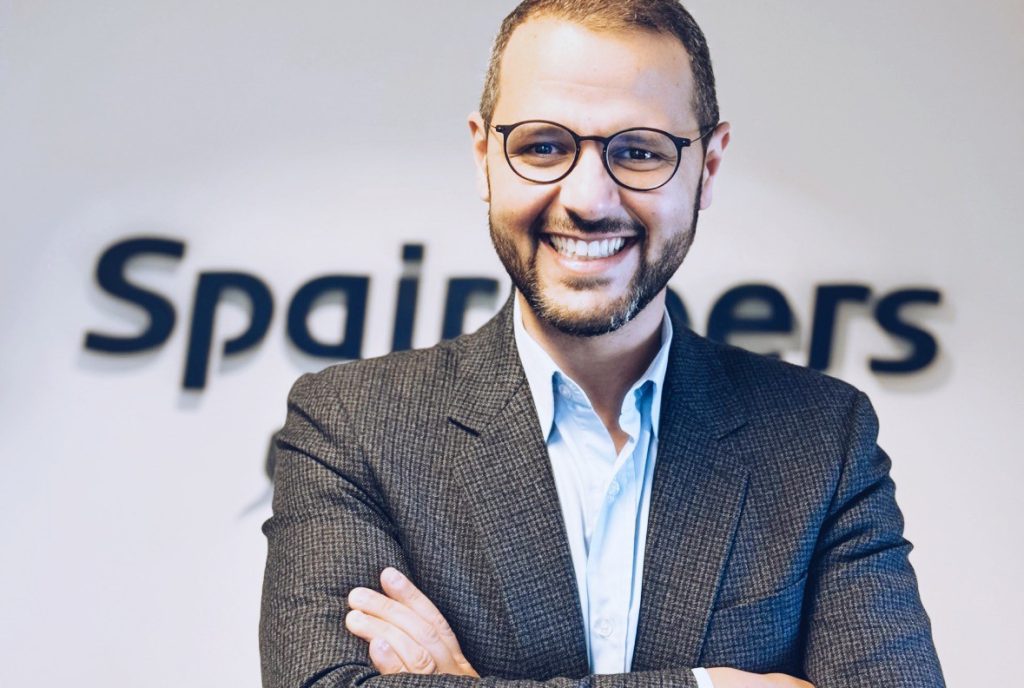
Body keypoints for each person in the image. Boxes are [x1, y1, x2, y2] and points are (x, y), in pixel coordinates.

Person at [259, 1, 945, 686]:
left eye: (640, 150)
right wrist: (708, 686)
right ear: (483, 157)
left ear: (707, 167)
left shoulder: (821, 440)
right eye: (543, 146)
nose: (588, 198)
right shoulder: (352, 427)